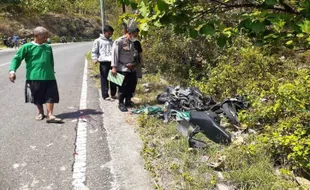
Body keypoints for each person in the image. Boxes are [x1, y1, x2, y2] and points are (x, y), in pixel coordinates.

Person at [9, 26, 62, 123]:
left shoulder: (48, 47)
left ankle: (50, 114)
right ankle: (41, 112)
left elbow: (51, 61)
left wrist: (52, 71)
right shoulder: (27, 47)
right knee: (37, 96)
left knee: (51, 95)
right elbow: (16, 59)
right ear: (36, 36)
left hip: (49, 76)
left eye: (47, 37)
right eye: (44, 37)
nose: (46, 39)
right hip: (34, 76)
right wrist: (12, 71)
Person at [111, 26, 139, 112]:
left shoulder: (133, 42)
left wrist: (135, 64)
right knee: (123, 87)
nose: (136, 36)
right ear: (129, 33)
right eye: (135, 35)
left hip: (132, 69)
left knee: (132, 85)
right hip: (122, 68)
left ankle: (128, 101)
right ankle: (121, 103)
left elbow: (134, 55)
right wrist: (114, 67)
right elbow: (114, 55)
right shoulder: (119, 41)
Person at [92, 25, 117, 100]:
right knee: (104, 79)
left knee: (113, 78)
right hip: (103, 62)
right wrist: (95, 59)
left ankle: (113, 94)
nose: (110, 35)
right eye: (109, 33)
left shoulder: (112, 41)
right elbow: (94, 51)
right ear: (105, 32)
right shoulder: (98, 41)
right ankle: (105, 95)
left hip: (112, 62)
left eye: (111, 34)